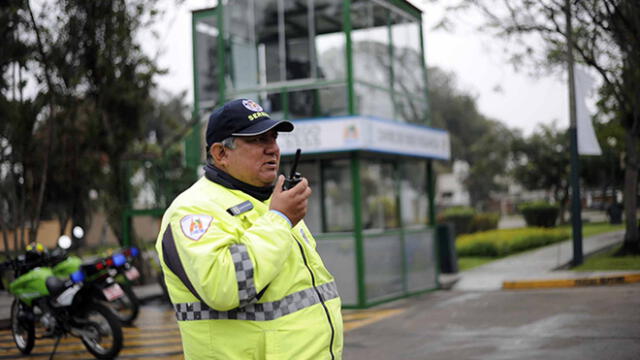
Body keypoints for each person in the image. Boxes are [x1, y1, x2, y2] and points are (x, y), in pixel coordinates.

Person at [155, 98, 343, 360]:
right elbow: (224, 286)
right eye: (257, 140)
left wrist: (279, 214)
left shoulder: (270, 201)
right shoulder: (192, 210)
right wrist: (279, 218)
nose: (273, 149)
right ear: (221, 154)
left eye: (273, 138)